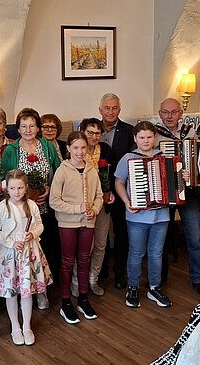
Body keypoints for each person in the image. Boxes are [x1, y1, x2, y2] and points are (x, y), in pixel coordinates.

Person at [1, 107, 61, 310]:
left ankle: (42, 290)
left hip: (45, 207)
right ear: (18, 129)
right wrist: (23, 197)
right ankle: (24, 292)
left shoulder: (47, 146)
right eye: (24, 126)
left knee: (44, 251)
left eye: (32, 126)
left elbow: (59, 171)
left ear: (38, 128)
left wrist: (49, 188)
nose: (28, 130)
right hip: (21, 210)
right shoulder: (11, 150)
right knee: (24, 253)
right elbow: (4, 180)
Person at [0, 169, 52, 346]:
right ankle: (15, 327)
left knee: (26, 291)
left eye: (20, 188)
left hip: (28, 252)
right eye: (12, 188)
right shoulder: (0, 208)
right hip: (9, 254)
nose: (16, 192)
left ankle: (27, 326)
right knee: (11, 292)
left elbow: (39, 225)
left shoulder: (31, 205)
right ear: (6, 189)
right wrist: (10, 243)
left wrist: (32, 234)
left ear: (26, 188)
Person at [114, 121, 173, 309]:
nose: (146, 141)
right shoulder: (128, 158)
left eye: (149, 137)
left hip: (161, 216)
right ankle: (133, 288)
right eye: (141, 137)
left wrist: (183, 177)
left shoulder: (164, 157)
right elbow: (119, 182)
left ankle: (154, 287)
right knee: (136, 252)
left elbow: (175, 182)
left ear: (155, 138)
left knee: (156, 253)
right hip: (137, 216)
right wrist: (126, 201)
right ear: (135, 138)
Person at [157, 98, 200, 298]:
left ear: (180, 113)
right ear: (160, 114)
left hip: (189, 193)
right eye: (165, 112)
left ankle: (198, 279)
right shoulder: (153, 134)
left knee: (195, 237)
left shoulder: (191, 132)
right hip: (165, 192)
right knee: (161, 238)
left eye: (174, 112)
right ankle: (159, 278)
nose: (169, 116)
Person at [50, 132, 103, 324]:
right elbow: (54, 201)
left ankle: (83, 298)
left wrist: (94, 210)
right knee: (67, 262)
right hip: (67, 223)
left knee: (84, 260)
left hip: (88, 222)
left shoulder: (92, 169)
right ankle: (65, 302)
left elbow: (99, 196)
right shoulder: (62, 171)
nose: (80, 152)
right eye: (76, 148)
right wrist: (77, 209)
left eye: (83, 148)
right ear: (68, 148)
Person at [98, 93, 135, 289]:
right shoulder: (92, 129)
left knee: (121, 233)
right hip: (98, 190)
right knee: (100, 233)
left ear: (119, 110)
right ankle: (100, 270)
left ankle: (120, 272)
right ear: (100, 110)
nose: (110, 111)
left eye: (114, 108)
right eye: (107, 108)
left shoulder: (129, 131)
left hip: (122, 189)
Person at [77, 117, 115, 296]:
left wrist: (111, 192)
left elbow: (112, 175)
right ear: (82, 132)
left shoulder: (105, 149)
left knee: (100, 244)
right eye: (90, 132)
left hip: (102, 204)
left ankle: (93, 279)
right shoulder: (78, 151)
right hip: (83, 206)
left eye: (97, 133)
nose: (93, 136)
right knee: (84, 247)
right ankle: (78, 281)